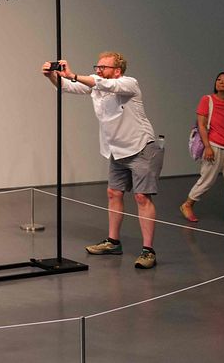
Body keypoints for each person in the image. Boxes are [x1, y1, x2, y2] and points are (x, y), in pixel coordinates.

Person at [41, 52, 164, 269]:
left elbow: (106, 85)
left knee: (142, 197)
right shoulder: (96, 85)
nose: (98, 70)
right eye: (97, 66)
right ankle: (113, 242)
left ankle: (148, 251)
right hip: (117, 150)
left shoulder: (129, 83)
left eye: (103, 67)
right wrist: (52, 75)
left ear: (117, 71)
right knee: (113, 193)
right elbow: (68, 87)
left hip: (141, 148)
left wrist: (73, 75)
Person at [179, 72, 224, 228]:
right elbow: (202, 125)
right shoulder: (207, 100)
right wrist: (208, 147)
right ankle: (187, 204)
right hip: (214, 145)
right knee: (207, 180)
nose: (221, 82)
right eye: (219, 80)